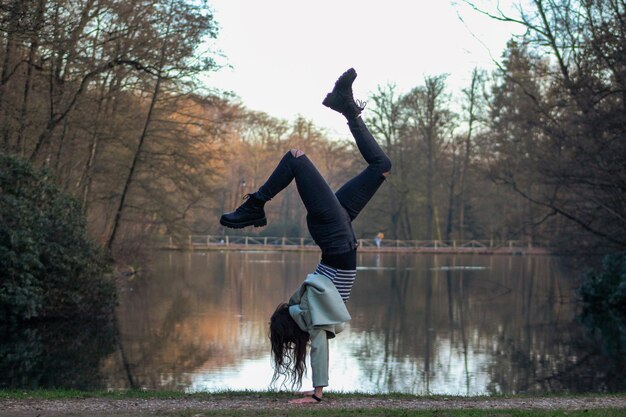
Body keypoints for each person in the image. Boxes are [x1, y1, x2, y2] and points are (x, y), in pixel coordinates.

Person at [220, 68, 391, 404]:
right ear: (291, 320)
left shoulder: (311, 316)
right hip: (335, 234)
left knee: (370, 165)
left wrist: (317, 390)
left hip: (335, 238)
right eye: (285, 310)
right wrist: (317, 395)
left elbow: (316, 347)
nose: (287, 304)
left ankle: (346, 107)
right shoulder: (310, 319)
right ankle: (256, 204)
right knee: (304, 159)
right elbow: (318, 349)